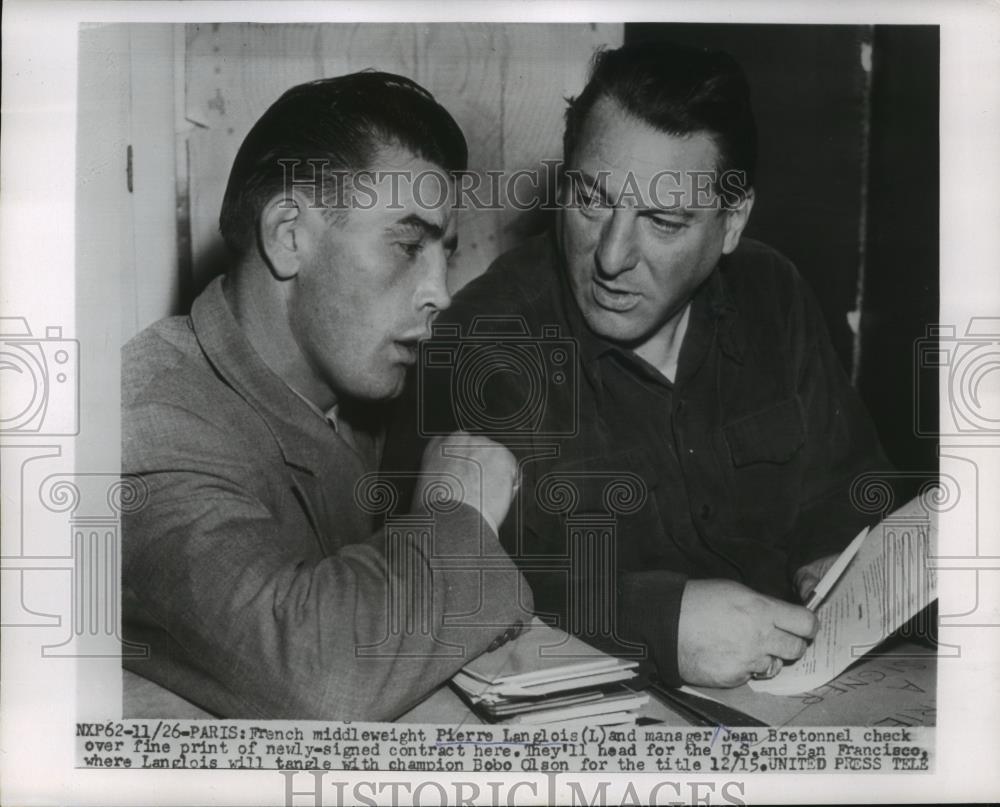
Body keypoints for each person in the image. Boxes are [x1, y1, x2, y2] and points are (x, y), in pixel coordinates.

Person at [383, 42, 892, 689]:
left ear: (731, 223)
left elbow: (849, 486)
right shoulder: (479, 344)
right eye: (591, 200)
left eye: (662, 220)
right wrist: (660, 623)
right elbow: (440, 594)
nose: (612, 256)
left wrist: (833, 559)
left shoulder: (775, 295)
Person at [122, 72, 531, 720]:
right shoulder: (149, 423)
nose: (440, 292)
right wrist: (453, 516)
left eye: (443, 254)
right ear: (289, 234)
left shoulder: (368, 393)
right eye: (407, 245)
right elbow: (317, 677)